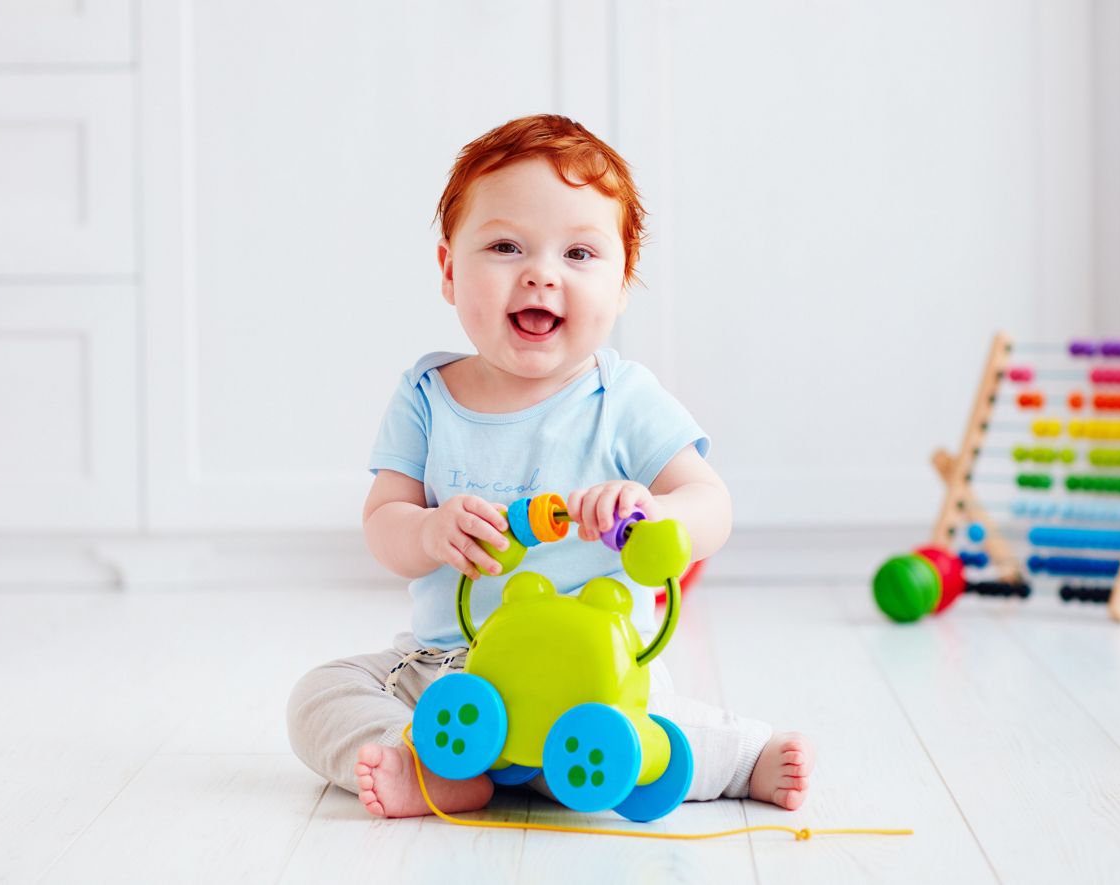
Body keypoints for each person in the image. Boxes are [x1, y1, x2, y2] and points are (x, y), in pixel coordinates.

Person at [287, 114, 814, 818]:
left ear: (623, 284)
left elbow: (710, 502)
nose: (540, 272)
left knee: (645, 727)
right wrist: (426, 532)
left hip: (593, 675)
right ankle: (430, 759)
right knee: (319, 694)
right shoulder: (426, 395)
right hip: (452, 671)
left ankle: (737, 756)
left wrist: (652, 514)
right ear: (449, 269)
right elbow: (384, 521)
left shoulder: (622, 399)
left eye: (579, 254)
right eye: (506, 246)